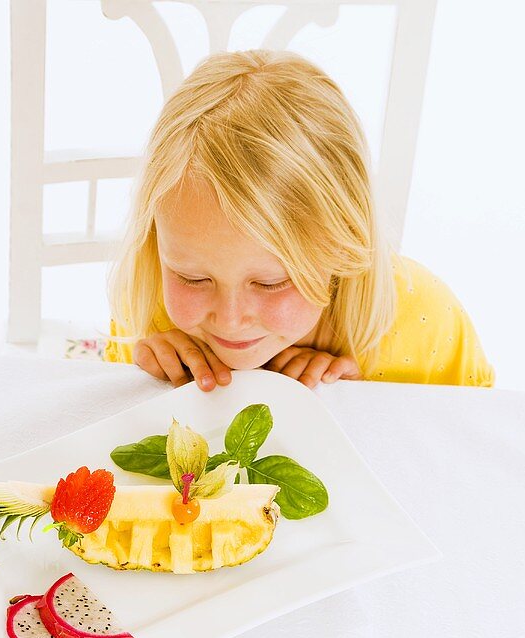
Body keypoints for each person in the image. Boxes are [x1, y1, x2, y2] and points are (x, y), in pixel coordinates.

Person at [104, 49, 494, 392]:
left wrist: (357, 402)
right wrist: (147, 384)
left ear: (344, 241)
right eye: (193, 278)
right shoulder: (150, 301)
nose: (230, 319)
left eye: (271, 283)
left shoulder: (425, 321)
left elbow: (473, 442)